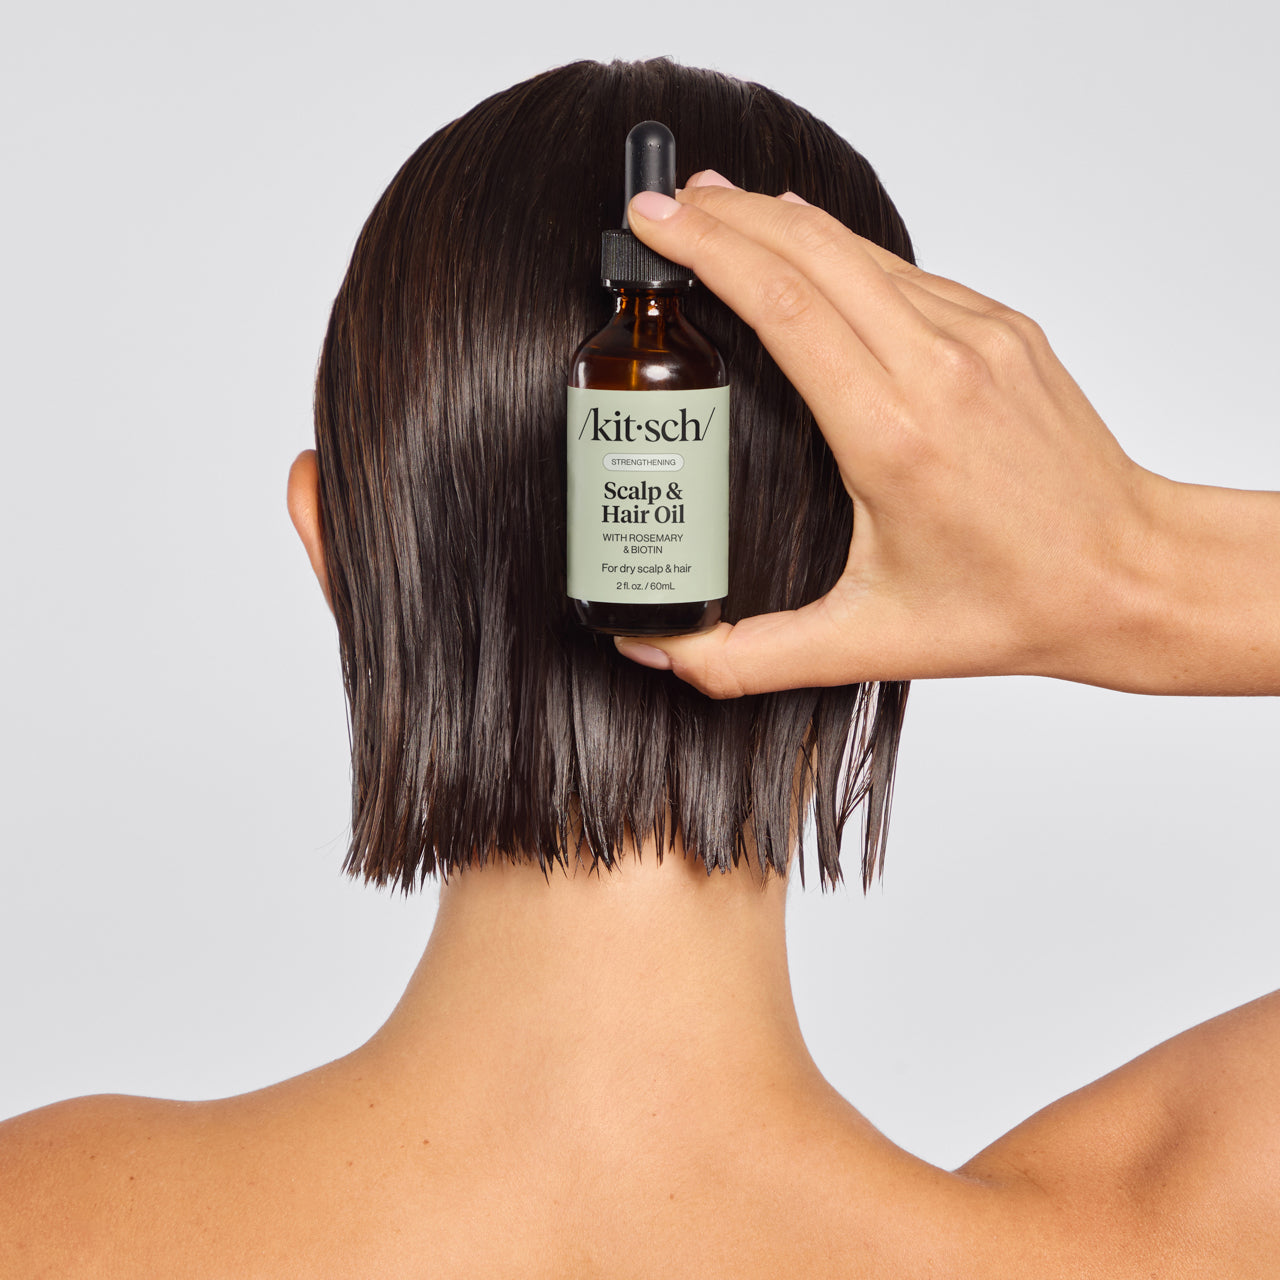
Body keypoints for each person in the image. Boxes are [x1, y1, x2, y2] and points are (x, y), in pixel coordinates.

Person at [2, 57, 1278, 1278]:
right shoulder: (1174, 1233)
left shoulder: (48, 1220)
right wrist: (1141, 561)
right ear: (915, 589)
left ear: (341, 556)